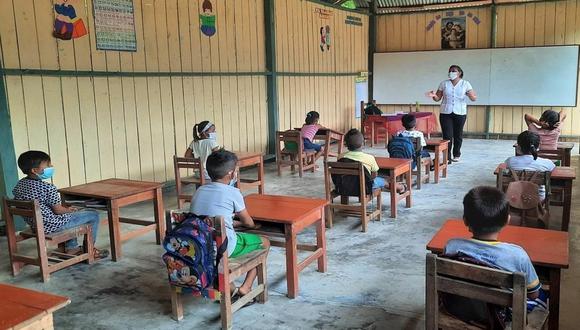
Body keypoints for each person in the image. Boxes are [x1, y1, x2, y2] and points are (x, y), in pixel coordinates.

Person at [445, 186, 548, 312]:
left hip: (462, 309)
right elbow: (533, 294)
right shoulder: (518, 255)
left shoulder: (452, 246)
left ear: (465, 221)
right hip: (501, 314)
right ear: (507, 221)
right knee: (543, 296)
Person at [189, 150, 270, 302]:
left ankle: (230, 287)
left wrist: (232, 222)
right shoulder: (233, 192)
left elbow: (205, 218)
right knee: (265, 242)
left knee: (222, 245)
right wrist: (251, 225)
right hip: (222, 248)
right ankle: (246, 287)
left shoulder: (199, 190)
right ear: (231, 173)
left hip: (198, 246)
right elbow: (248, 222)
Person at [12, 151, 109, 259]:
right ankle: (89, 249)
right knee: (93, 215)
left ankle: (72, 248)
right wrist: (69, 210)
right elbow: (58, 210)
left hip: (36, 225)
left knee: (69, 217)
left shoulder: (19, 185)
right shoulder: (48, 188)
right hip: (52, 226)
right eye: (48, 165)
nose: (51, 166)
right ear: (34, 170)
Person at [427, 65, 477, 163]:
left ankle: (457, 154)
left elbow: (473, 98)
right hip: (446, 112)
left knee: (458, 134)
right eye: (450, 71)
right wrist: (433, 95)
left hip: (460, 112)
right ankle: (447, 156)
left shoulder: (465, 84)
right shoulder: (444, 83)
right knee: (447, 135)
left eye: (454, 71)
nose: (451, 72)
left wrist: (470, 95)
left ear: (459, 73)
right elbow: (437, 98)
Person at [341, 129, 406, 193]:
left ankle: (397, 186)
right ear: (363, 143)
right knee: (382, 181)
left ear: (346, 144)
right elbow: (374, 175)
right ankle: (400, 187)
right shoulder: (369, 158)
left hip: (345, 186)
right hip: (365, 187)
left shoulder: (341, 157)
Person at [506, 131, 555, 200]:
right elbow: (552, 169)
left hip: (515, 198)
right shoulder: (547, 163)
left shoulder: (510, 161)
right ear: (538, 145)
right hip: (538, 199)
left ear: (519, 146)